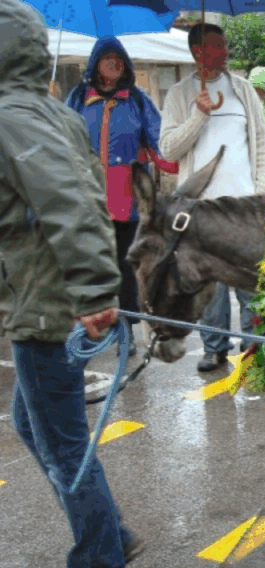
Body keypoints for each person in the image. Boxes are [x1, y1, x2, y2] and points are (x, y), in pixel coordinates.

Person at [1, 0, 144, 568]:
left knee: (62, 445)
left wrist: (91, 292)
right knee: (36, 427)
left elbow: (70, 202)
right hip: (46, 294)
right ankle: (111, 535)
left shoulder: (13, 116)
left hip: (45, 301)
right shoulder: (43, 111)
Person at [159, 23, 265, 372]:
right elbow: (168, 148)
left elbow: (263, 145)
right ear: (198, 52)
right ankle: (214, 347)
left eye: (225, 46)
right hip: (200, 210)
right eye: (218, 46)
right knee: (210, 287)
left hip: (243, 209)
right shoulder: (179, 95)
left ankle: (253, 347)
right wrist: (199, 114)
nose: (226, 52)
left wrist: (262, 193)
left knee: (251, 281)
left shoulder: (243, 91)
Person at [65, 36, 178, 357]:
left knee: (126, 268)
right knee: (88, 265)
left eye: (120, 58)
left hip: (125, 196)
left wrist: (183, 158)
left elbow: (162, 143)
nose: (115, 63)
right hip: (86, 194)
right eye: (108, 58)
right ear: (95, 63)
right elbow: (58, 138)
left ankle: (125, 330)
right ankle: (87, 327)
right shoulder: (76, 98)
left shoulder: (137, 101)